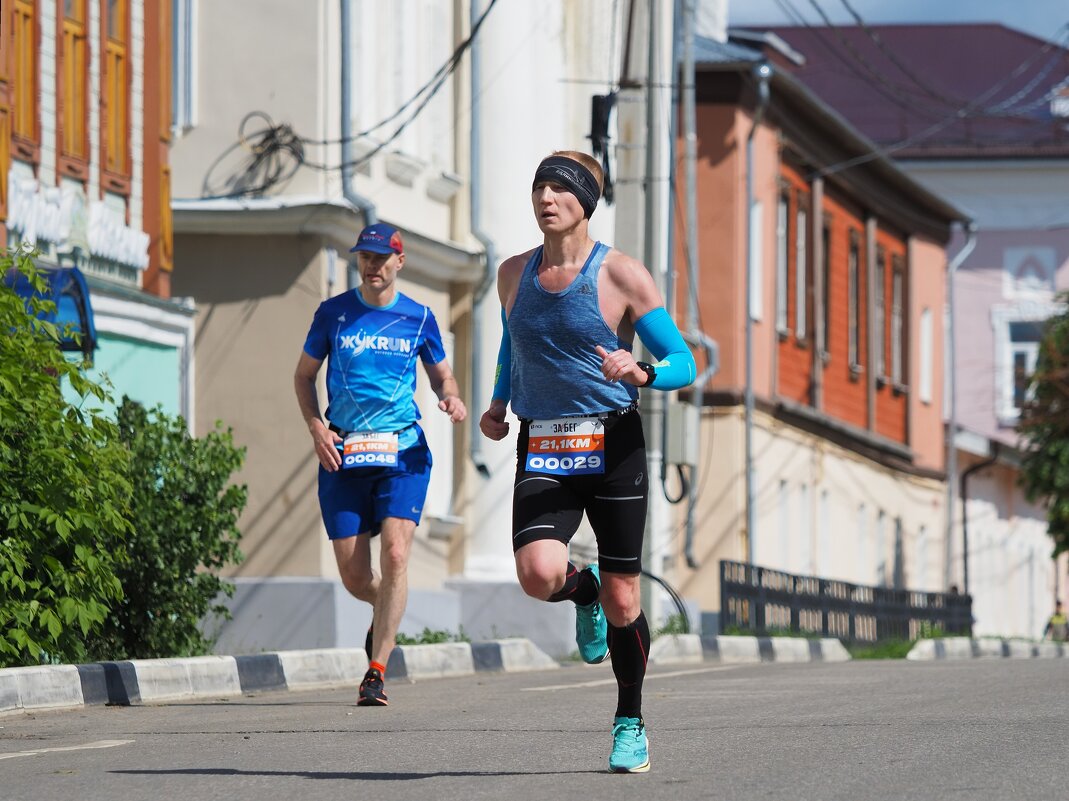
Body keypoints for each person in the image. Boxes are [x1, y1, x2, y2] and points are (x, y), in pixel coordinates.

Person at [479, 150, 696, 773]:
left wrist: (642, 369)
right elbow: (510, 342)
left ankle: (630, 720)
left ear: (584, 202)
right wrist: (498, 402)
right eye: (537, 187)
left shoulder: (621, 275)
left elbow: (683, 361)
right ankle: (585, 594)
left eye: (558, 189)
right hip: (544, 440)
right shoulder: (512, 273)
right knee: (539, 573)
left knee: (629, 603)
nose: (545, 198)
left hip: (612, 447)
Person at [295, 222, 467, 707]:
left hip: (402, 454)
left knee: (395, 557)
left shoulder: (419, 317)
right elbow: (304, 377)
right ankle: (388, 608)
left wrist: (451, 400)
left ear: (399, 262)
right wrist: (316, 428)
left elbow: (443, 378)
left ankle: (376, 669)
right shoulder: (334, 314)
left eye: (380, 257)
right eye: (364, 257)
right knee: (355, 578)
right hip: (344, 455)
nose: (372, 265)